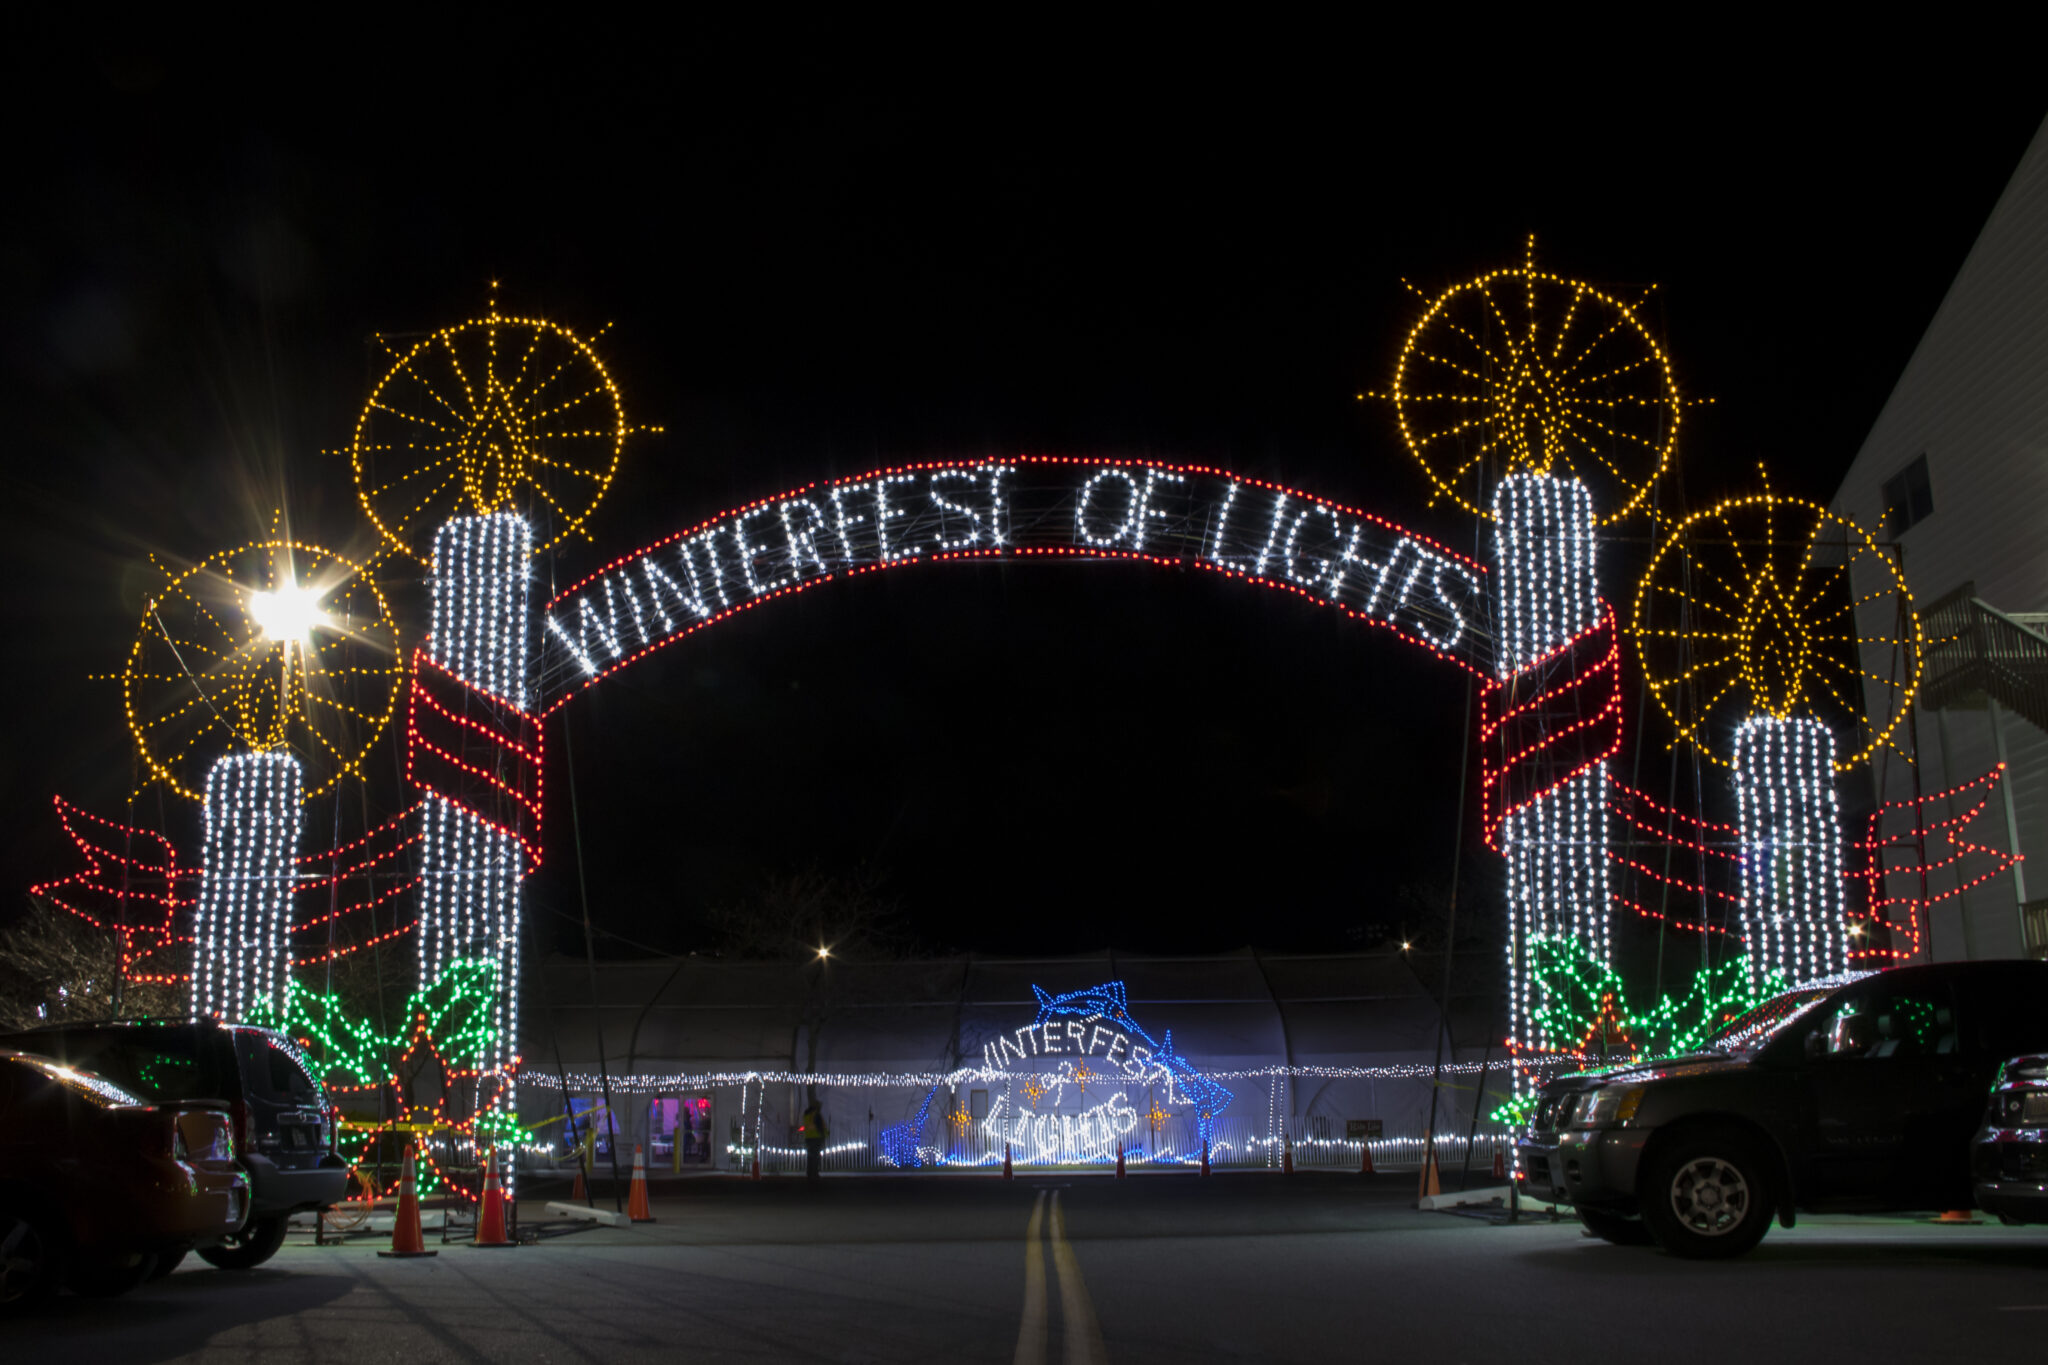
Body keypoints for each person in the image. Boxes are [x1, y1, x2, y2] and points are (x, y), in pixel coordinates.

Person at [800, 1090, 829, 1182]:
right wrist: (825, 1133)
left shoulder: (806, 1115)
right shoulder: (815, 1114)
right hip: (816, 1137)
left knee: (810, 1156)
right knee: (816, 1156)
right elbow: (821, 1126)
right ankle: (815, 1173)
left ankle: (809, 1174)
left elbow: (807, 1126)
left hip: (808, 1138)